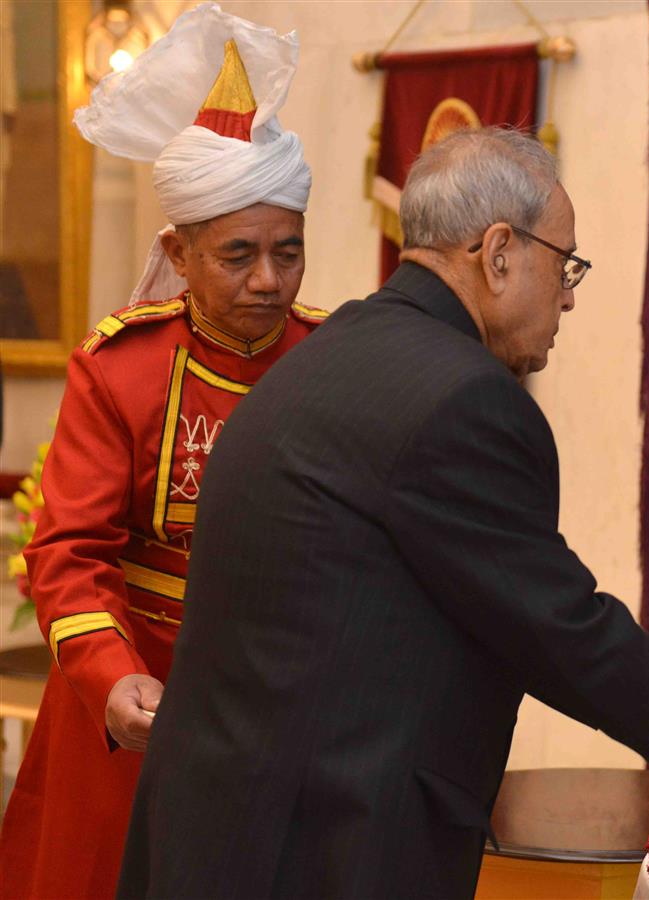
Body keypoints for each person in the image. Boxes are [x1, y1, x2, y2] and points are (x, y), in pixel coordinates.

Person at [117, 126, 649, 899]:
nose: (572, 294)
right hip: (317, 845)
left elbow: (471, 608)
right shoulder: (465, 397)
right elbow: (550, 617)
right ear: (498, 253)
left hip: (225, 825)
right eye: (566, 263)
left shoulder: (340, 347)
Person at [0, 8, 322, 898]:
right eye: (239, 255)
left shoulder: (337, 361)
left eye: (288, 253)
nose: (268, 280)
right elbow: (66, 552)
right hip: (138, 703)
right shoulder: (121, 371)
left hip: (291, 706)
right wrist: (111, 679)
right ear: (178, 254)